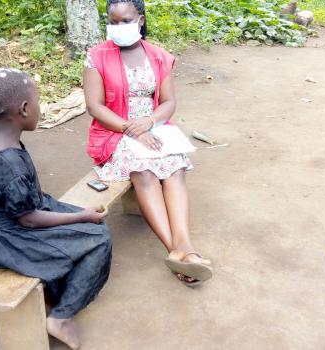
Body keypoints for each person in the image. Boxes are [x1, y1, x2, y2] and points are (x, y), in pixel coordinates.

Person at [0, 68, 111, 349]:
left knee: (87, 224)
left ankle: (55, 290)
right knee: (98, 239)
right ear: (23, 109)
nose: (40, 109)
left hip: (9, 214)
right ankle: (62, 316)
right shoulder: (9, 164)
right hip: (2, 236)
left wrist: (78, 217)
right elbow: (29, 220)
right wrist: (80, 216)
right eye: (38, 102)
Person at [83, 0, 213, 286]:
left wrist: (150, 123)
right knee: (144, 172)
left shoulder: (158, 56)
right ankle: (179, 253)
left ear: (139, 20)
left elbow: (169, 102)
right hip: (116, 131)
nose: (119, 28)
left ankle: (184, 249)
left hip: (156, 128)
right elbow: (95, 106)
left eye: (126, 21)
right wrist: (132, 129)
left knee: (176, 169)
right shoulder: (96, 57)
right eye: (113, 22)